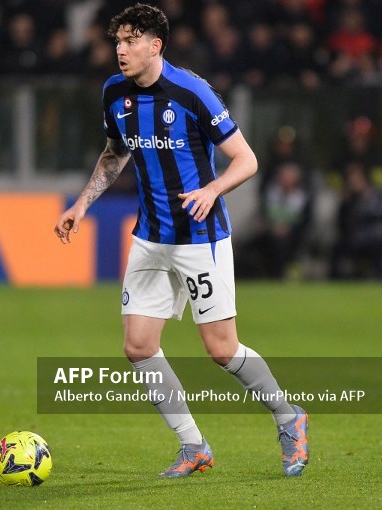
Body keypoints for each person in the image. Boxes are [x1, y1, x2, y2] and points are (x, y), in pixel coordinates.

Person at [53, 3, 309, 478]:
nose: (121, 51)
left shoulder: (192, 92)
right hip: (151, 236)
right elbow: (115, 154)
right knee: (138, 345)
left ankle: (289, 416)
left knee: (221, 349)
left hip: (200, 238)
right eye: (117, 42)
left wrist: (212, 189)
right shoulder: (115, 93)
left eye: (131, 41)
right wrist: (82, 203)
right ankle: (194, 446)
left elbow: (246, 159)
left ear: (156, 45)